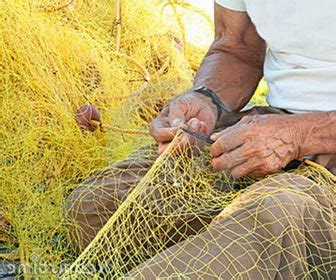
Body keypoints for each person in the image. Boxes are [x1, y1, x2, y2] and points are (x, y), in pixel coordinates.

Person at [67, 1, 336, 278]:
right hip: (270, 123)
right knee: (94, 210)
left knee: (271, 213)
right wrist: (207, 99)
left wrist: (298, 134)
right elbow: (236, 46)